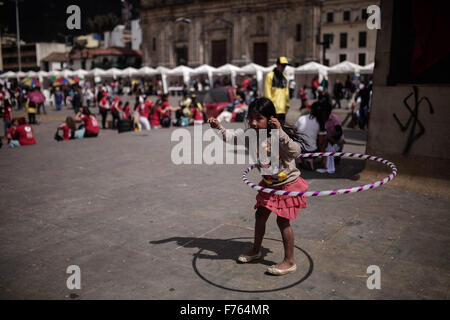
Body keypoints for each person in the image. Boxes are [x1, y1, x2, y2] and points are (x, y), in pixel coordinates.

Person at [208, 97, 308, 275]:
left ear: (270, 119)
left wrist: (280, 133)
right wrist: (219, 128)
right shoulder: (251, 136)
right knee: (260, 215)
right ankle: (256, 250)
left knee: (282, 221)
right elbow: (230, 138)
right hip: (269, 184)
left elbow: (296, 152)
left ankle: (289, 261)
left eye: (259, 118)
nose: (253, 123)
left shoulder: (277, 136)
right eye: (251, 118)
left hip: (286, 184)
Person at [316, 101, 345, 174]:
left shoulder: (334, 119)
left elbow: (339, 132)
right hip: (327, 139)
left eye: (323, 112)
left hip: (337, 140)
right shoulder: (321, 118)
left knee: (332, 152)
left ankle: (335, 157)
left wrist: (333, 139)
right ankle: (324, 160)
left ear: (326, 112)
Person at [264, 56, 290, 124]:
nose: (283, 67)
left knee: (281, 130)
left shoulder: (285, 78)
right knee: (273, 131)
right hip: (273, 109)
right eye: (282, 65)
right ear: (277, 65)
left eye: (284, 66)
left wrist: (287, 105)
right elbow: (267, 93)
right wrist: (269, 107)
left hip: (282, 110)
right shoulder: (270, 76)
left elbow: (286, 93)